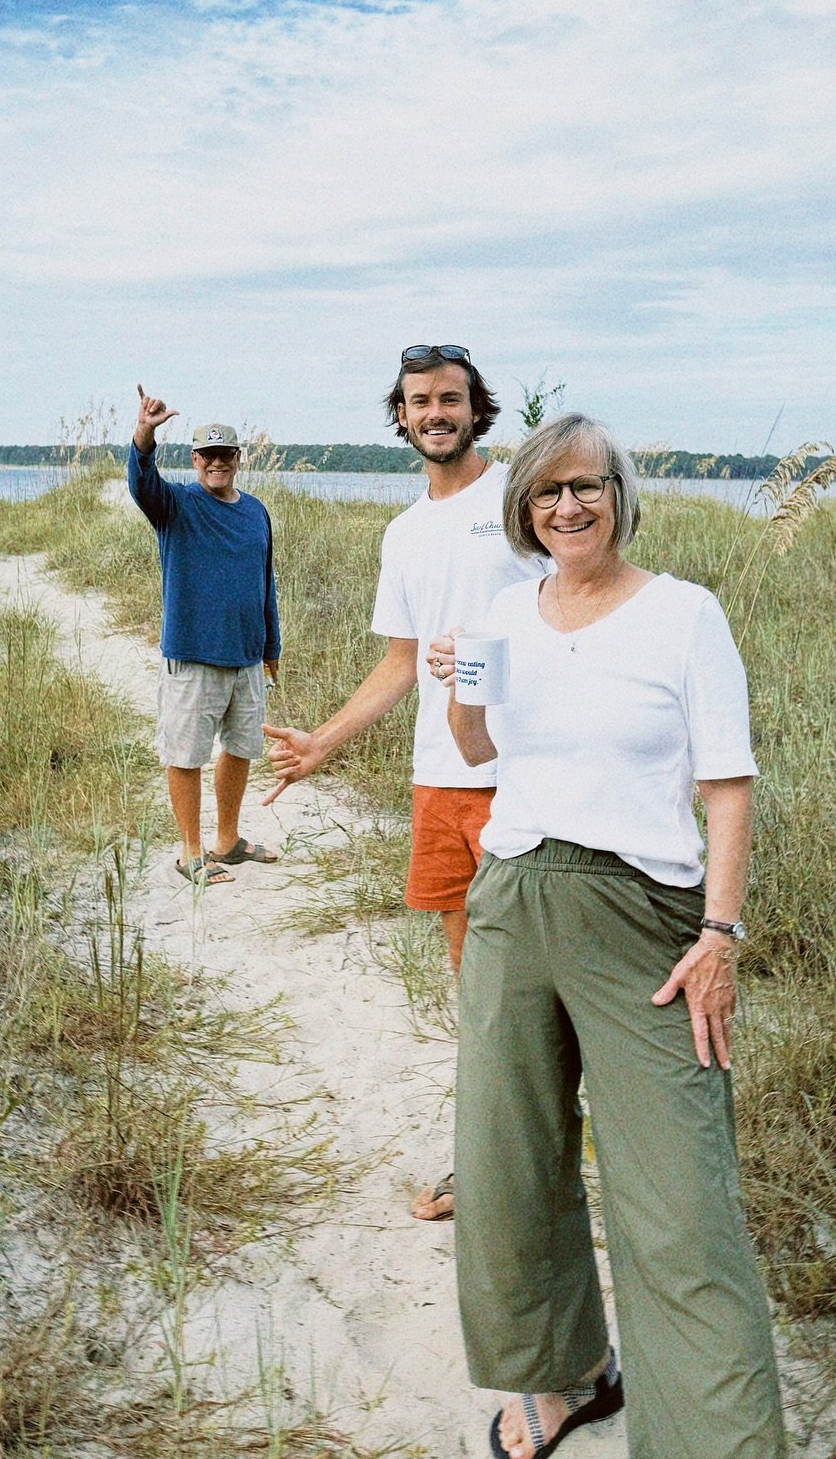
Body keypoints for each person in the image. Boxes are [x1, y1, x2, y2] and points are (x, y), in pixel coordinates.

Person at [432, 412, 787, 1459]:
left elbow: (727, 789)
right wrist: (463, 686)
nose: (569, 506)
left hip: (645, 919)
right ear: (525, 509)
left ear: (619, 496)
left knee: (680, 1204)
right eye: (548, 492)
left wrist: (720, 934)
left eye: (587, 486)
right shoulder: (506, 610)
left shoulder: (684, 616)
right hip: (513, 898)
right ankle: (565, 1378)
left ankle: (716, 1443)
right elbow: (481, 745)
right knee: (508, 1167)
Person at [261, 343, 545, 1219]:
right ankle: (492, 1163)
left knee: (542, 982)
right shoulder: (403, 531)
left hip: (524, 777)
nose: (435, 414)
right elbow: (401, 660)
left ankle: (548, 1153)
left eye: (450, 399)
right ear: (400, 415)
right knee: (480, 990)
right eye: (419, 401)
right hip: (440, 781)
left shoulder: (523, 500)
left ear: (476, 409)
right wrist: (322, 743)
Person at [128, 387, 281, 884]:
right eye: (207, 455)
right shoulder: (174, 504)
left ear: (238, 459)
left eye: (225, 455)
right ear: (195, 459)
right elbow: (141, 481)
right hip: (192, 657)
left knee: (239, 749)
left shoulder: (256, 511)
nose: (217, 463)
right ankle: (190, 852)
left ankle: (228, 841)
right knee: (186, 754)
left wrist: (271, 648)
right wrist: (144, 436)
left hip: (245, 658)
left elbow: (265, 582)